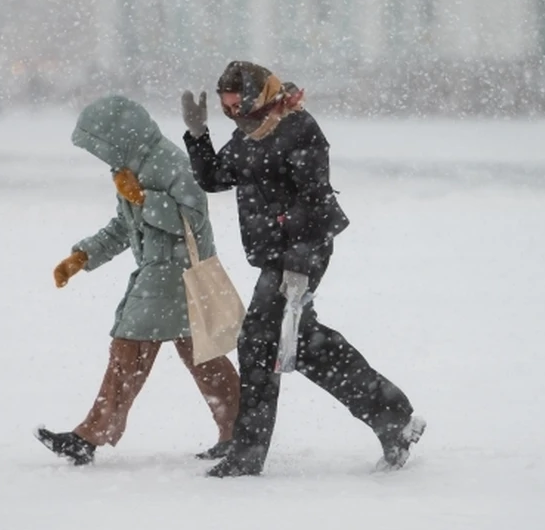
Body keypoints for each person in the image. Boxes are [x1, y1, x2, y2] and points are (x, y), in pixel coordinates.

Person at [181, 61, 425, 478]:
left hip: (303, 250)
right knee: (305, 345)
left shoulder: (297, 128)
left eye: (236, 101)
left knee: (258, 343)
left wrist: (298, 269)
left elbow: (314, 202)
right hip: (275, 255)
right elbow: (217, 178)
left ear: (258, 93)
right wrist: (199, 136)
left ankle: (248, 452)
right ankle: (393, 415)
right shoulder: (248, 134)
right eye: (225, 105)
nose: (232, 111)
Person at [37, 95, 240, 466]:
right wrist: (83, 256)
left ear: (118, 137)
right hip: (163, 274)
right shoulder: (130, 166)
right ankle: (240, 431)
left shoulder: (168, 161)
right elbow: (124, 227)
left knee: (128, 349)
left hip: (173, 273)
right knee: (202, 356)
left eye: (100, 146)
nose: (100, 156)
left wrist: (145, 198)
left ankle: (90, 435)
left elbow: (193, 219)